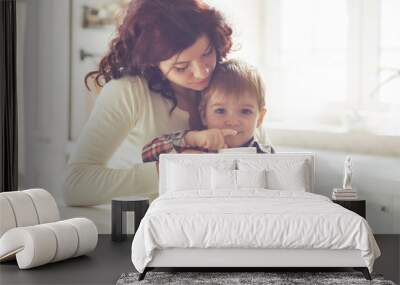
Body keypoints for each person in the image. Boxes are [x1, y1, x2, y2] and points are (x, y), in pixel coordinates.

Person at [62, 0, 269, 206]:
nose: (202, 72)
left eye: (207, 53)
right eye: (181, 66)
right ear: (152, 61)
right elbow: (74, 185)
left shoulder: (227, 84)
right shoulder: (129, 93)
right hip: (138, 226)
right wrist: (169, 171)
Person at [142, 59, 275, 164]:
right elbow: (147, 154)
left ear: (260, 118)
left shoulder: (267, 156)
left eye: (245, 111)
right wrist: (192, 138)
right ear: (203, 115)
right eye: (220, 110)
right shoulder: (197, 147)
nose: (233, 121)